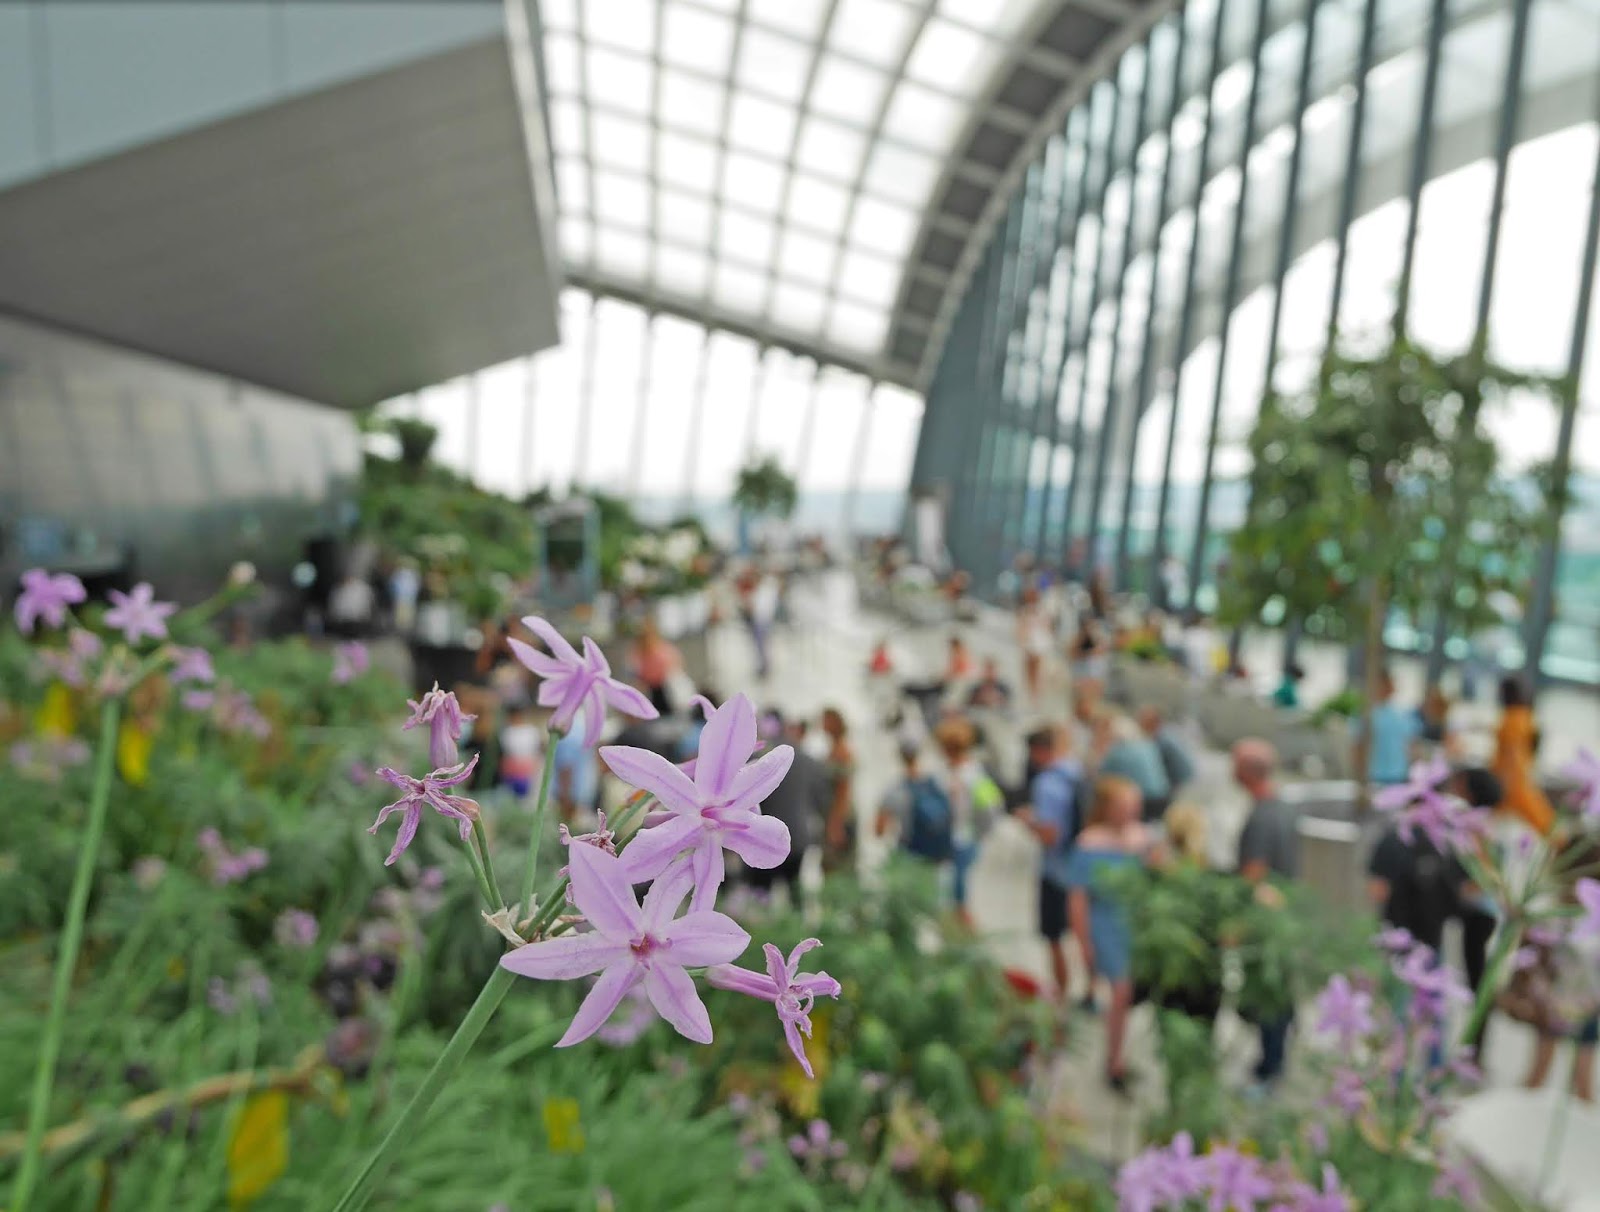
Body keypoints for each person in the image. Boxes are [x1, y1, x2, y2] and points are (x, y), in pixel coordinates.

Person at [1065, 775, 1158, 1092]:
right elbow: (1078, 899)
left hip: (1133, 924)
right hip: (1105, 924)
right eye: (1124, 807)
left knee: (1126, 993)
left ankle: (1117, 1052)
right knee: (1121, 990)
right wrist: (1083, 941)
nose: (1130, 813)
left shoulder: (1141, 838)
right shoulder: (1089, 843)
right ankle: (1114, 1061)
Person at [1233, 738, 1298, 1085]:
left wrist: (1238, 922)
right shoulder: (1283, 807)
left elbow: (1253, 875)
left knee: (1268, 994)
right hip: (1286, 917)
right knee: (1281, 991)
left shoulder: (1261, 818)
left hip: (1266, 922)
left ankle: (1269, 1068)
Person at [1019, 724, 1085, 1002]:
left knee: (1054, 936)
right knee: (1083, 936)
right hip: (1084, 868)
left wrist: (1028, 822)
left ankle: (1061, 992)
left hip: (1057, 870)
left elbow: (1050, 834)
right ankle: (1091, 989)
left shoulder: (1046, 783)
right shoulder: (1078, 772)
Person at [1450, 766, 1504, 1059]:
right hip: (1482, 912)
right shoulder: (1490, 821)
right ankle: (1474, 1048)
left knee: (1477, 980)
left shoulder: (1477, 824)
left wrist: (1453, 890)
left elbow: (1484, 877)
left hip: (1479, 913)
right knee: (1476, 977)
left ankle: (1475, 1050)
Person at [749, 710, 831, 904]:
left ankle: (763, 929)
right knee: (794, 892)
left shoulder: (763, 759)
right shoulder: (811, 762)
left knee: (761, 894)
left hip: (762, 837)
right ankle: (796, 929)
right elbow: (822, 802)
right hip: (797, 839)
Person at [933, 716, 1003, 929]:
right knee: (952, 896)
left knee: (958, 898)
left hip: (962, 838)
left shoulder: (968, 776)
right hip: (962, 838)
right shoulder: (967, 772)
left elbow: (987, 810)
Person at [1493, 674, 1553, 834]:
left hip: (1512, 782)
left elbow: (1513, 755)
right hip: (1520, 779)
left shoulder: (1513, 718)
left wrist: (1506, 783)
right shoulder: (1524, 715)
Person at [1095, 712, 1172, 824]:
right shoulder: (1148, 745)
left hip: (1143, 801)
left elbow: (1100, 779)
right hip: (1163, 797)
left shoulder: (1117, 752)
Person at [1355, 670, 1423, 788]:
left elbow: (1412, 747)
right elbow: (1357, 748)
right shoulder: (1366, 715)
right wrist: (1359, 775)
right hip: (1374, 776)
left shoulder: (1403, 715)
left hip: (1399, 775)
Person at [819, 707, 856, 875]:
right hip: (834, 815)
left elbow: (843, 790)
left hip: (840, 817)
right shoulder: (834, 749)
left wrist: (836, 825)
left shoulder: (842, 751)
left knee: (837, 868)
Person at [551, 713, 599, 826]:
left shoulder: (568, 730)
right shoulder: (583, 727)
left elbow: (566, 767)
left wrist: (566, 799)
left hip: (571, 798)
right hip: (578, 796)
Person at [630, 616, 682, 716]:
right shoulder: (638, 654)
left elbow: (675, 666)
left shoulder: (663, 650)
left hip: (666, 690)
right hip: (650, 692)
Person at [1138, 705, 1196, 793]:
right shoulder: (1167, 733)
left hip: (1178, 785)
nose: (1139, 723)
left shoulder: (1161, 741)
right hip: (1184, 781)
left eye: (1143, 720)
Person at [498, 704, 541, 799]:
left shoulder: (531, 731)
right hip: (511, 771)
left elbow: (535, 753)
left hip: (526, 771)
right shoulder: (506, 732)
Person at [1017, 587, 1050, 702]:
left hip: (1039, 644)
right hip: (1029, 644)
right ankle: (1031, 697)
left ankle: (1037, 697)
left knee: (1038, 672)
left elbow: (1046, 627)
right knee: (1029, 672)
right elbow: (1020, 628)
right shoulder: (1025, 611)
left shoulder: (1042, 611)